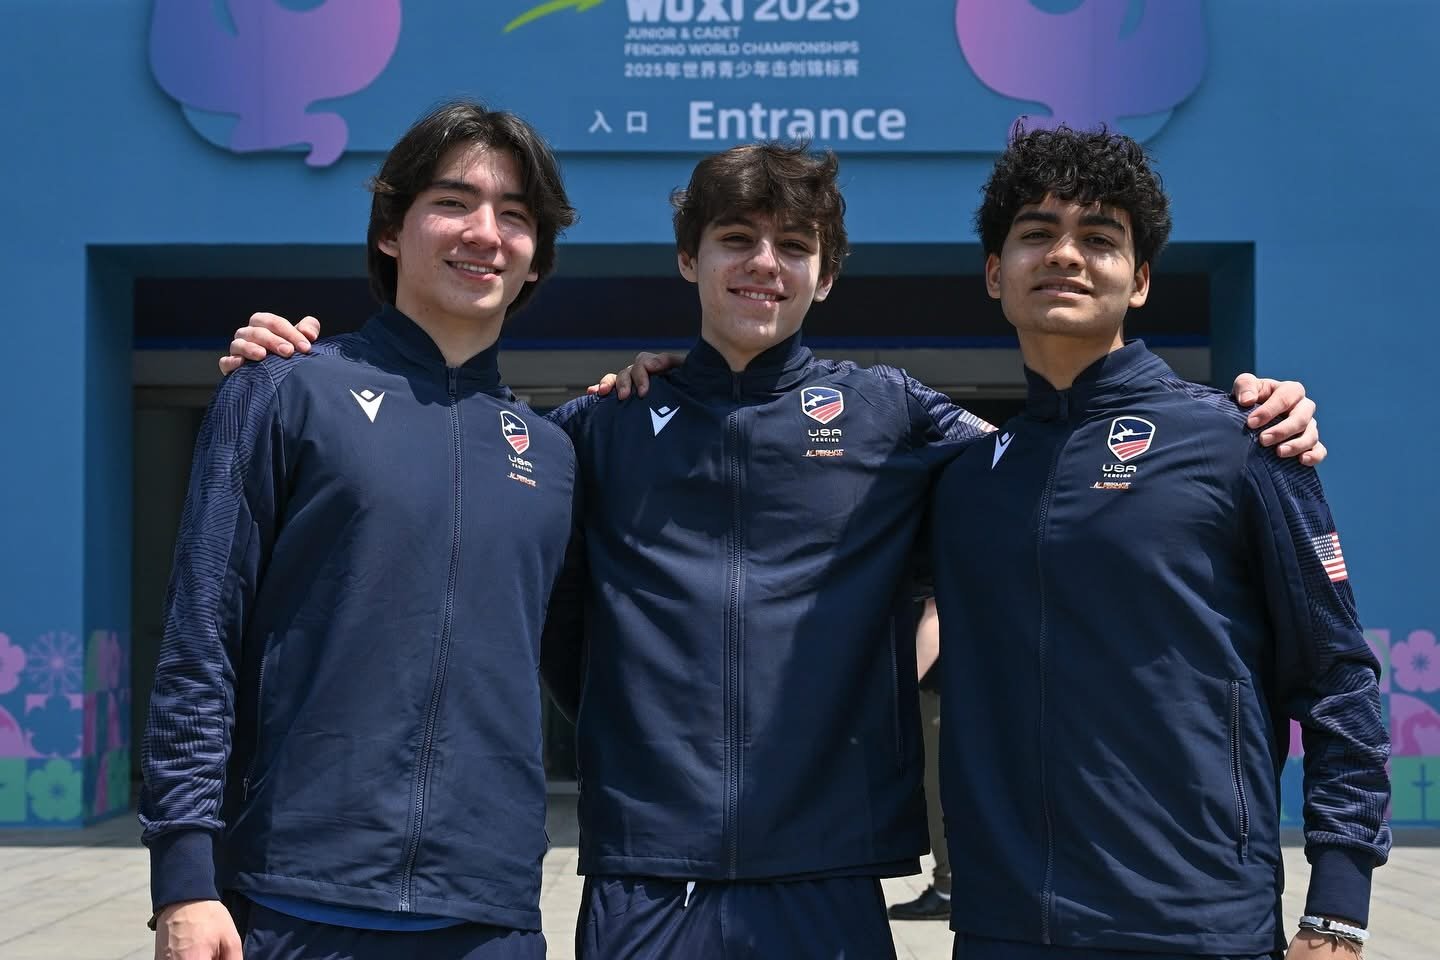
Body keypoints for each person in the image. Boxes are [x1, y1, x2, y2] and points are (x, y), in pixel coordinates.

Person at [222, 141, 1325, 959]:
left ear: (827, 275)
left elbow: (1060, 482)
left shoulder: (897, 418)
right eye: (736, 241)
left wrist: (1251, 414)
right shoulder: (596, 431)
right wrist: (292, 361)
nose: (765, 264)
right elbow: (531, 598)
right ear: (689, 260)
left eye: (793, 246)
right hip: (646, 883)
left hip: (830, 878)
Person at [929, 125, 1391, 959]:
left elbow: (1337, 682)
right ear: (996, 272)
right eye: (1037, 233)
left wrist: (1338, 909)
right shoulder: (964, 481)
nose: (1065, 255)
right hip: (1002, 929)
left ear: (1139, 281)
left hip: (1195, 924)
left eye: (1099, 239)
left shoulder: (1244, 441)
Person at [140, 100, 578, 960]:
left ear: (535, 262)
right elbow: (200, 638)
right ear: (390, 230)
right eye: (453, 202)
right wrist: (184, 878)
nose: (485, 232)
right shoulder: (281, 391)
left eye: (516, 216)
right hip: (289, 900)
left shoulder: (557, 453)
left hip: (490, 913)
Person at [888, 598, 952, 922]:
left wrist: (895, 695)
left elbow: (935, 616)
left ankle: (947, 889)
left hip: (935, 688)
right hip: (938, 686)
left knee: (937, 791)